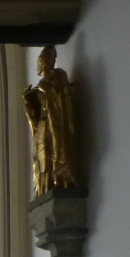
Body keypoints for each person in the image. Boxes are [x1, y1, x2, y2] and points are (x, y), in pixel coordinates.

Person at [23, 46, 80, 196]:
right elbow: (38, 108)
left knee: (54, 149)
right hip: (43, 123)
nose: (42, 64)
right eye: (41, 60)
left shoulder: (58, 75)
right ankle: (43, 186)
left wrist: (47, 90)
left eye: (45, 60)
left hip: (53, 122)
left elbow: (63, 96)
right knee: (40, 156)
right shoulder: (44, 80)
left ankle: (58, 178)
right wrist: (29, 101)